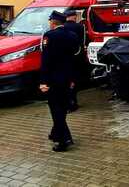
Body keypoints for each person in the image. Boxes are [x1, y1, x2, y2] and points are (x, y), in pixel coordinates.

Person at [39, 10, 80, 152]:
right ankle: (56, 133)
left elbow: (46, 60)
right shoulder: (73, 36)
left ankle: (63, 140)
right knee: (62, 108)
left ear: (54, 22)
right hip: (67, 78)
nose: (49, 23)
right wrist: (73, 78)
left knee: (55, 109)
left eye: (50, 21)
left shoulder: (50, 36)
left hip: (53, 79)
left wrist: (43, 81)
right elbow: (74, 59)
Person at [63, 9, 86, 112]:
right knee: (74, 80)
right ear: (74, 17)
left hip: (64, 58)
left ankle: (67, 103)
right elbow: (83, 41)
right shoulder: (80, 27)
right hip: (76, 57)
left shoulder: (62, 27)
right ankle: (73, 102)